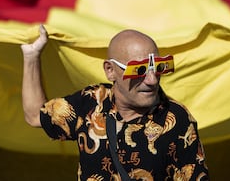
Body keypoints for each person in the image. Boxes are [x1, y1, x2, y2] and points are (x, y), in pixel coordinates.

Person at [21, 25, 209, 180]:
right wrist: (31, 57)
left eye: (159, 67)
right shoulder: (92, 101)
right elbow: (34, 116)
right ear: (110, 71)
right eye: (140, 70)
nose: (152, 80)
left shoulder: (175, 118)